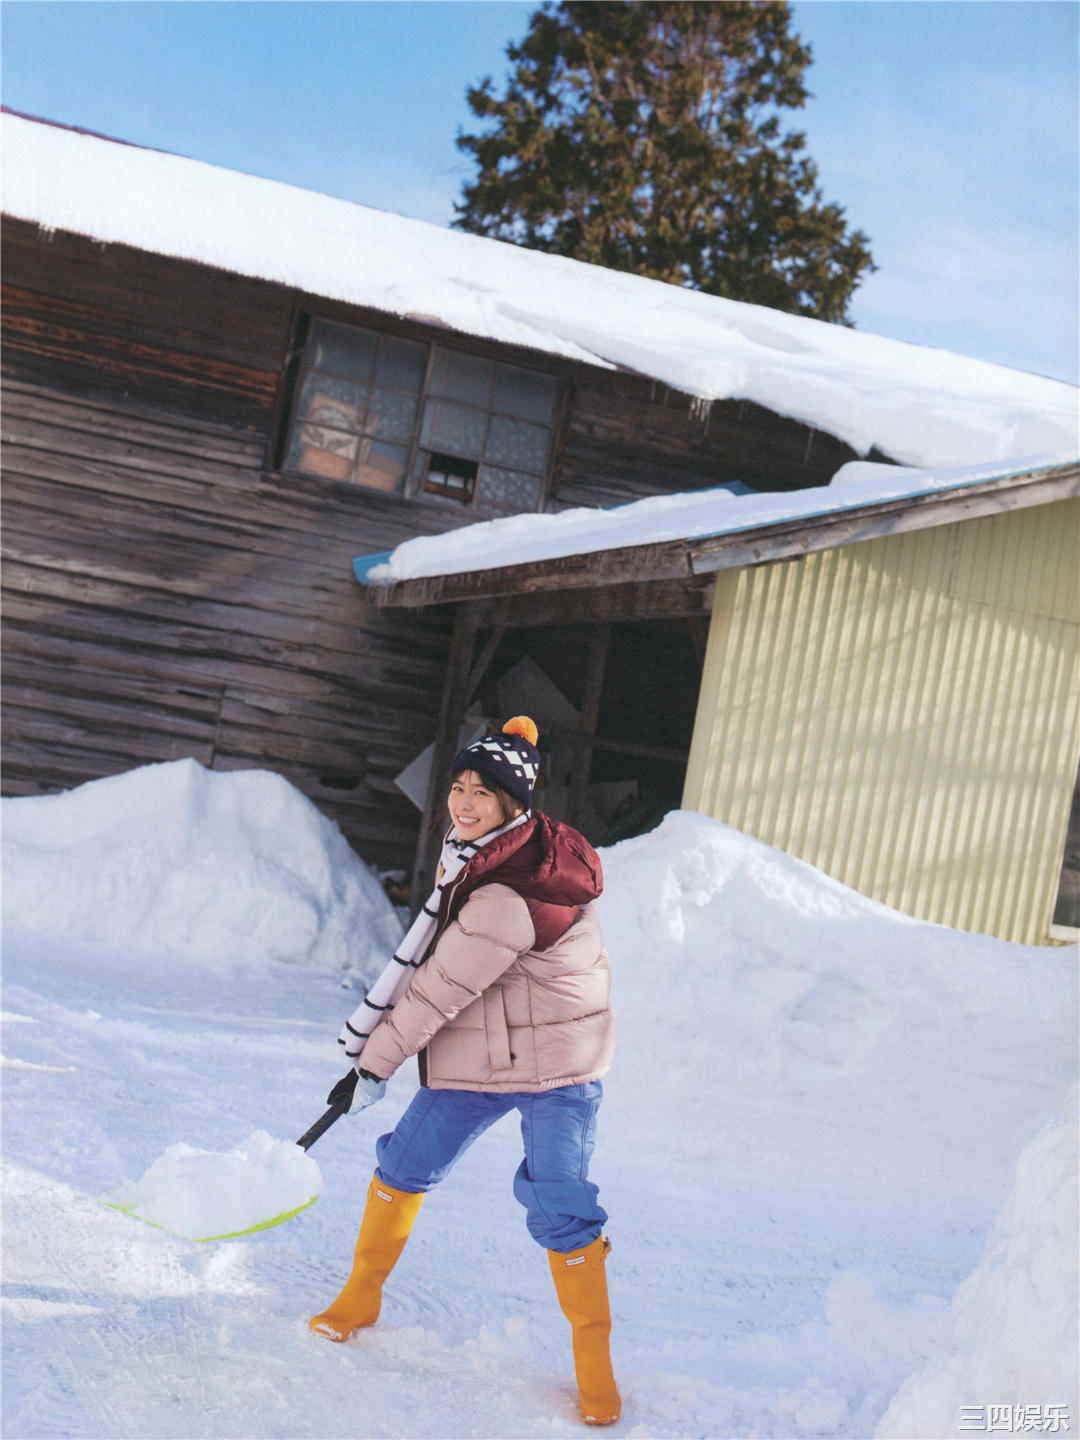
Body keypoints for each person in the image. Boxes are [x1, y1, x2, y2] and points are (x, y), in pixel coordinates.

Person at [309, 716, 620, 1426]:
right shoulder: (488, 854)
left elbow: (437, 988)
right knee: (404, 1163)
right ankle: (361, 1296)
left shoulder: (508, 893)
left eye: (484, 791)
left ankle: (594, 1366)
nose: (464, 802)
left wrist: (372, 1065)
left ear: (516, 804)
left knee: (560, 1200)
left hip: (556, 1068)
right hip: (486, 1052)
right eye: (458, 786)